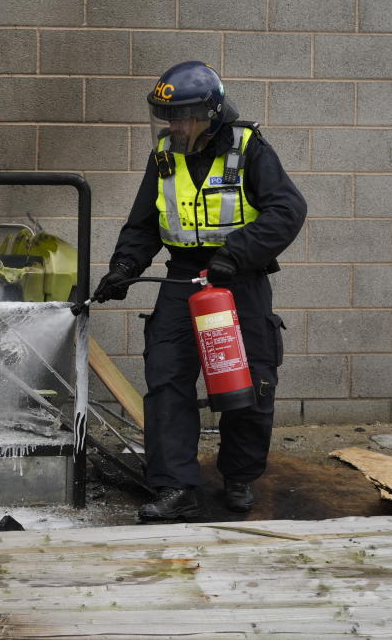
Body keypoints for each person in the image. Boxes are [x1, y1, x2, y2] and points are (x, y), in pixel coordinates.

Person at [91, 61, 306, 521]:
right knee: (167, 380)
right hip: (181, 281)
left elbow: (287, 210)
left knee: (248, 381)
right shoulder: (166, 155)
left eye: (183, 117)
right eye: (168, 117)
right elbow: (144, 223)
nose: (174, 126)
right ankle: (175, 487)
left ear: (210, 114)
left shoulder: (249, 149)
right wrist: (125, 266)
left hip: (239, 281)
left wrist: (237, 253)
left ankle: (239, 477)